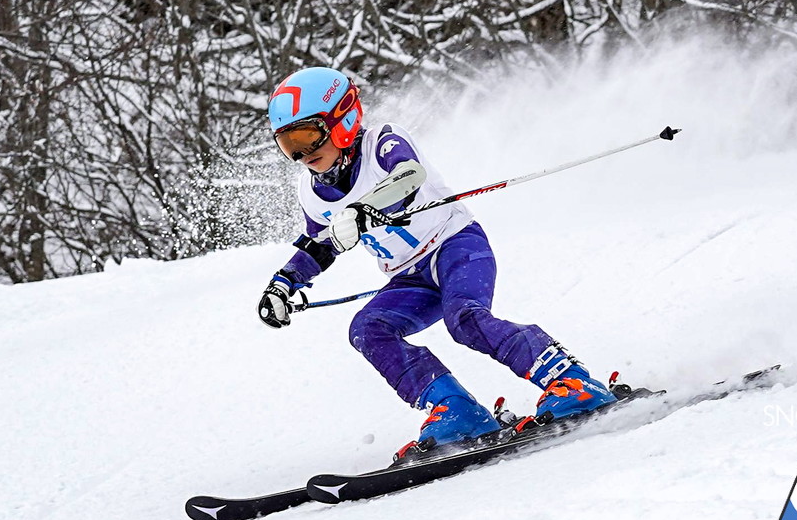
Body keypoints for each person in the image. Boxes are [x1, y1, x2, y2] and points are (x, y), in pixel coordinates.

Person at [257, 66, 615, 454]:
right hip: (409, 278)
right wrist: (284, 283)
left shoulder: (382, 143)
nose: (302, 154)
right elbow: (319, 244)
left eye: (307, 136)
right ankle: (457, 411)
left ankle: (573, 382)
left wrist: (363, 210)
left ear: (341, 117)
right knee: (367, 329)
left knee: (465, 319)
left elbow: (409, 176)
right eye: (288, 144)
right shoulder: (311, 193)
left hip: (455, 245)